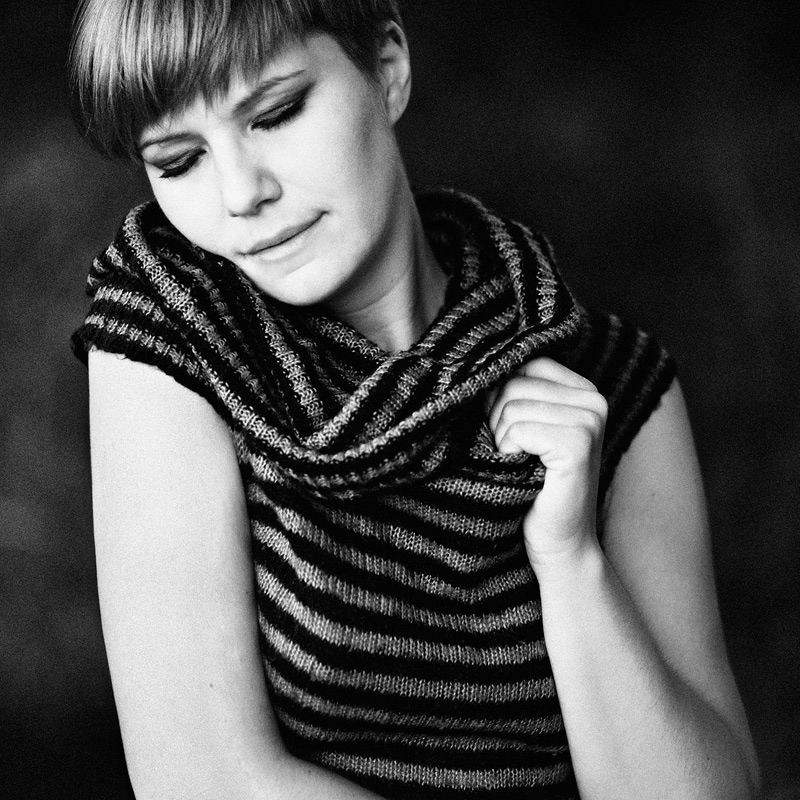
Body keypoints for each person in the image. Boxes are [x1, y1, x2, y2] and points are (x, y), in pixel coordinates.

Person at [69, 1, 760, 798]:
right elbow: (200, 778)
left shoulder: (612, 385)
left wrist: (571, 562)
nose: (240, 192)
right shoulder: (174, 328)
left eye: (276, 114)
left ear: (388, 68)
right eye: (179, 160)